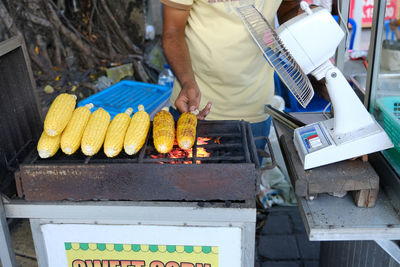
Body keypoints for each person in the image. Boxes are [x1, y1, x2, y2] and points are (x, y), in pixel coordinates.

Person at [161, 0, 308, 152]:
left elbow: (289, 7)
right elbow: (173, 32)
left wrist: (303, 19)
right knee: (187, 175)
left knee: (247, 174)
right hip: (195, 106)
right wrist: (187, 82)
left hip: (255, 107)